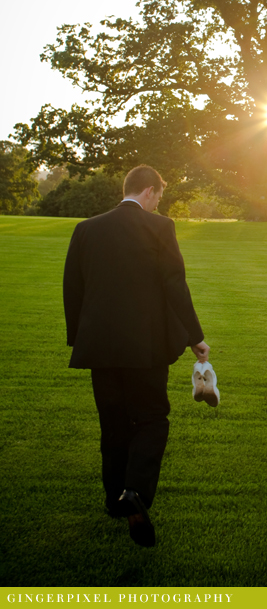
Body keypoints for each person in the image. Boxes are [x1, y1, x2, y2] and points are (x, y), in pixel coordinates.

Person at [63, 165, 209, 547]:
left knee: (112, 422)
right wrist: (195, 337)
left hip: (99, 345)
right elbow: (175, 284)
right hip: (146, 346)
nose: (159, 202)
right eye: (159, 195)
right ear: (149, 191)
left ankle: (114, 499)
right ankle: (136, 492)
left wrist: (79, 338)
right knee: (151, 417)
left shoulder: (86, 229)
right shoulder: (160, 227)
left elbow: (72, 287)